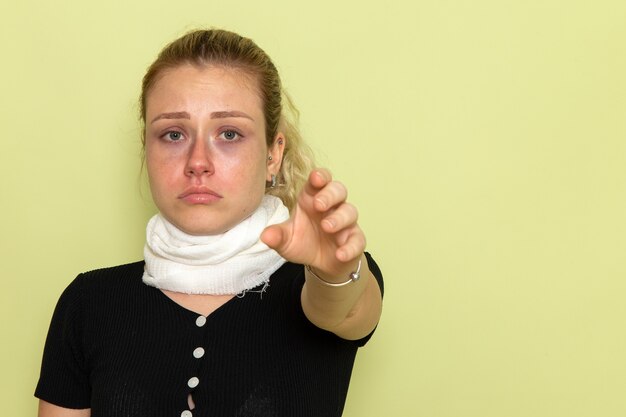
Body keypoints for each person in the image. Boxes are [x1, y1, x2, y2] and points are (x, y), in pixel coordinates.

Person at [35, 28, 383, 417]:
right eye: (173, 134)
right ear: (146, 149)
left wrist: (335, 273)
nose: (197, 161)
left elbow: (344, 310)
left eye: (230, 133)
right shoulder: (89, 302)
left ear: (273, 154)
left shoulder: (323, 277)